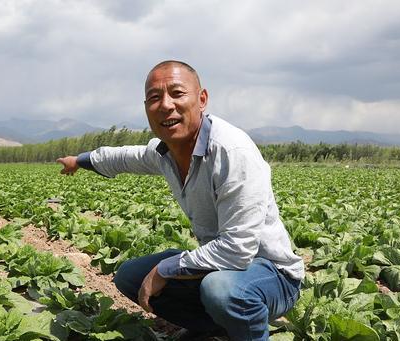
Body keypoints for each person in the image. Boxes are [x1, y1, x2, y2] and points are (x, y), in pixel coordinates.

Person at [56, 60, 304, 340]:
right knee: (130, 276)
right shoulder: (165, 153)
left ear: (202, 99)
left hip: (272, 275)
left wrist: (166, 269)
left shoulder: (232, 152)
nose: (165, 105)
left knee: (220, 290)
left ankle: (246, 329)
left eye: (177, 93)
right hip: (220, 266)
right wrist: (79, 160)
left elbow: (237, 251)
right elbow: (123, 157)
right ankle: (216, 328)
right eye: (154, 97)